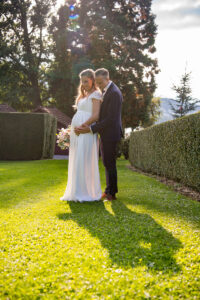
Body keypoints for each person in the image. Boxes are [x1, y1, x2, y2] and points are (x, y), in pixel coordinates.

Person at [75, 68, 123, 201]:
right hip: (107, 132)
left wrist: (91, 129)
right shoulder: (108, 90)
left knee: (110, 163)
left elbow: (111, 119)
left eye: (101, 82)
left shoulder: (114, 92)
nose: (99, 85)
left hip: (111, 133)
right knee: (107, 162)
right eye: (97, 82)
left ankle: (111, 193)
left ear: (107, 78)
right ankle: (109, 190)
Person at [60, 69, 102, 202]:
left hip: (85, 131)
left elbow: (96, 115)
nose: (83, 84)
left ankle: (85, 192)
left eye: (86, 81)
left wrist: (83, 126)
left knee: (84, 159)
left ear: (92, 80)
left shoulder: (96, 94)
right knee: (77, 159)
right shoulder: (83, 95)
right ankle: (75, 191)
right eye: (82, 81)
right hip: (77, 132)